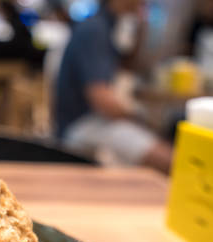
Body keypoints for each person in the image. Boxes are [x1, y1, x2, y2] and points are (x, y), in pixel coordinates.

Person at [54, 0, 172, 173]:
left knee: (155, 143)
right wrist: (140, 119)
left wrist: (141, 28)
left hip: (96, 119)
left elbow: (130, 66)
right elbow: (102, 100)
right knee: (168, 159)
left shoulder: (109, 26)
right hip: (81, 126)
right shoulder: (94, 29)